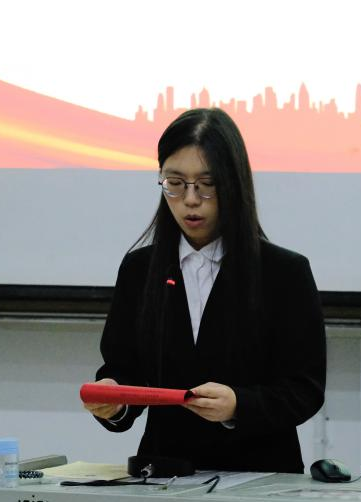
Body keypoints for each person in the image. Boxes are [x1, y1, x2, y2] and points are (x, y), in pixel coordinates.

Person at [82, 108, 326, 474]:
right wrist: (115, 400)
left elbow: (305, 389)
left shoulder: (283, 272)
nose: (190, 199)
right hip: (164, 474)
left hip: (259, 477)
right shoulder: (140, 269)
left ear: (234, 184)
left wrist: (239, 405)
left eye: (206, 184)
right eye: (175, 183)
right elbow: (124, 369)